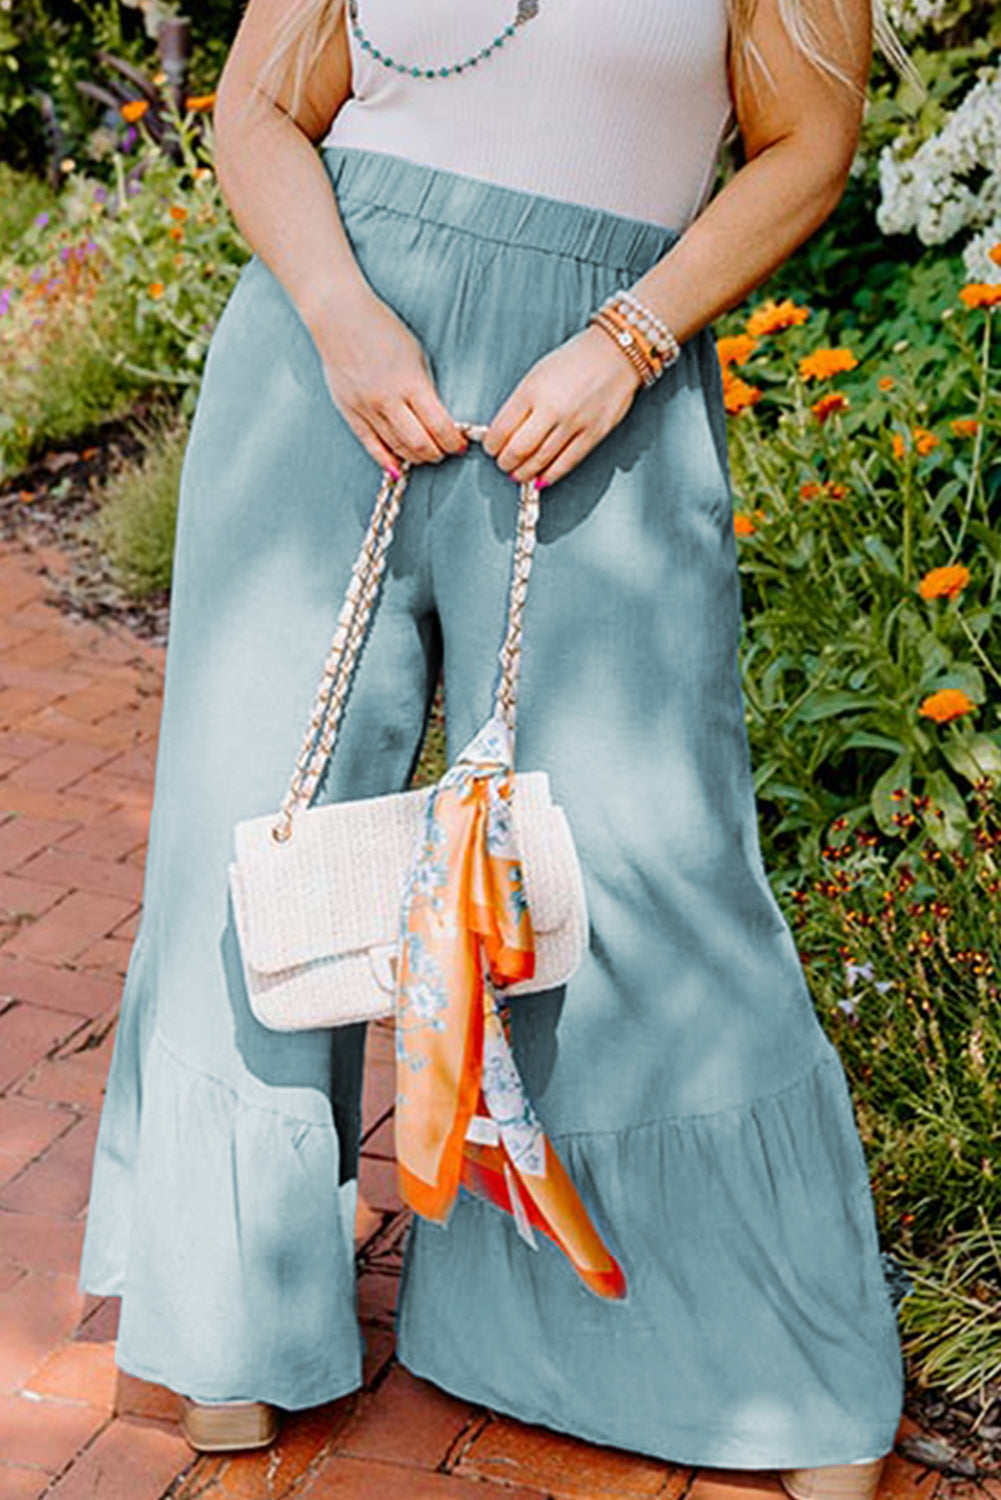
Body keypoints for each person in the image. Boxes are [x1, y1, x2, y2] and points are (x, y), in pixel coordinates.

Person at [78, 0, 916, 1490]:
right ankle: (232, 1325)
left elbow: (809, 143)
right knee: (258, 808)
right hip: (322, 372)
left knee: (642, 849)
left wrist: (627, 339)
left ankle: (733, 1358)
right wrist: (339, 313)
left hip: (604, 386)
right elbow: (258, 111)